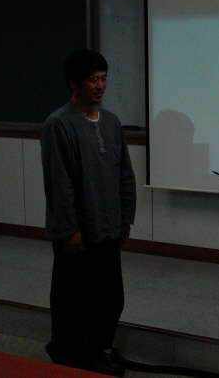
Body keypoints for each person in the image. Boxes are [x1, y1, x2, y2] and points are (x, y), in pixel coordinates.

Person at [40, 48, 136, 377]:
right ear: (73, 83)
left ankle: (95, 351)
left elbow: (125, 172)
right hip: (78, 233)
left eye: (104, 78)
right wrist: (69, 230)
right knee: (74, 300)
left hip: (108, 227)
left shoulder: (110, 122)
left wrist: (125, 216)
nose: (100, 86)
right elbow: (59, 183)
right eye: (93, 79)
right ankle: (69, 353)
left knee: (110, 298)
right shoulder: (58, 124)